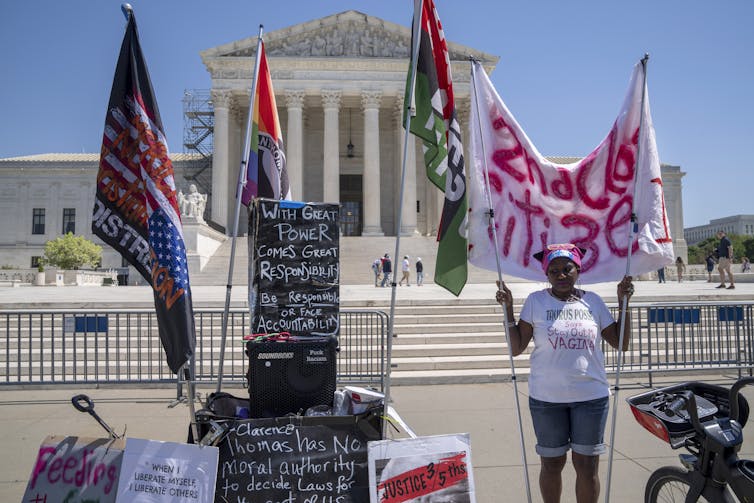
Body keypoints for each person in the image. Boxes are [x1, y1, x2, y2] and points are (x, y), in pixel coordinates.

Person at [495, 243, 634, 503]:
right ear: (546, 274)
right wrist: (509, 310)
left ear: (577, 270)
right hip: (547, 399)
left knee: (587, 466)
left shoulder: (592, 301)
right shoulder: (536, 301)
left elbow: (620, 342)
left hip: (591, 398)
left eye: (566, 269)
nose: (560, 275)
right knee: (551, 464)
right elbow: (517, 348)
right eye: (554, 270)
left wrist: (623, 302)